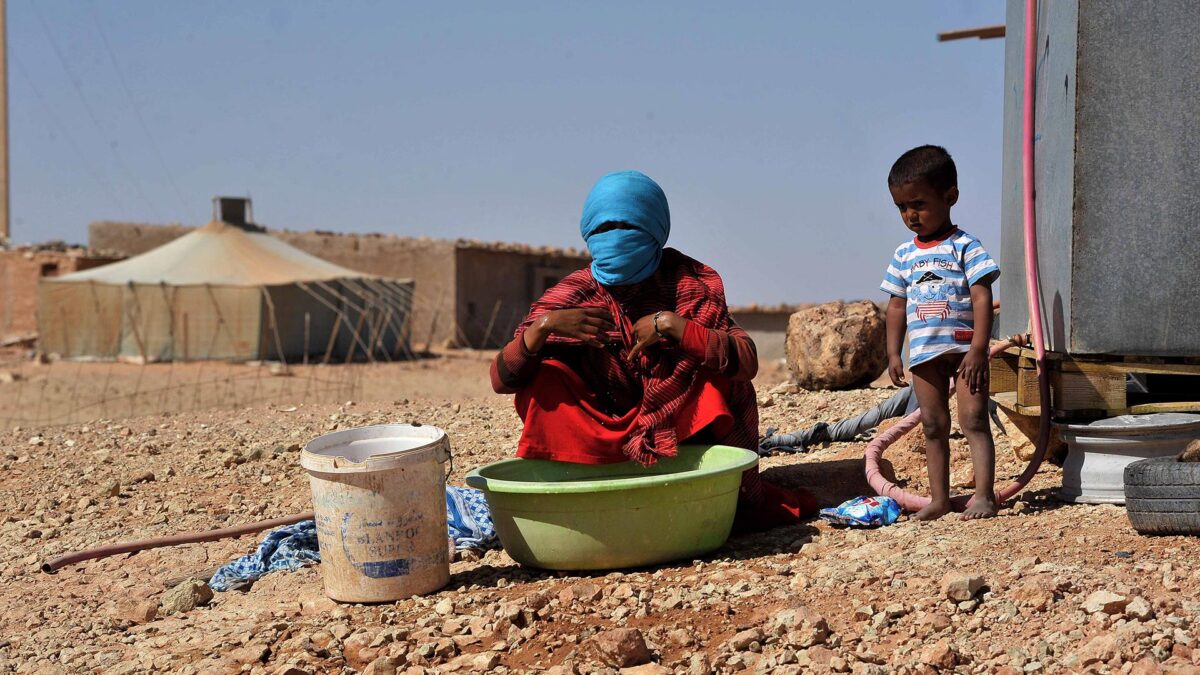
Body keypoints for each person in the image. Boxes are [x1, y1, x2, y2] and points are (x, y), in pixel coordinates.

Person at [490, 170, 816, 528]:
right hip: (600, 430)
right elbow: (502, 379)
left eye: (628, 227)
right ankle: (583, 491)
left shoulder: (686, 282)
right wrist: (545, 327)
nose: (614, 238)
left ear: (656, 230)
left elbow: (746, 360)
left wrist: (672, 325)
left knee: (720, 378)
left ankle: (721, 493)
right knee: (546, 377)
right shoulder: (574, 294)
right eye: (603, 228)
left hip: (676, 427)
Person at [879, 145, 1000, 521]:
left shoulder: (966, 246)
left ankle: (983, 496)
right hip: (926, 355)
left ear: (950, 197)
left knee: (975, 420)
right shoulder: (903, 255)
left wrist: (979, 348)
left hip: (966, 354)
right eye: (902, 207)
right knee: (933, 425)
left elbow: (982, 297)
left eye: (918, 204)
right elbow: (896, 305)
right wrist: (894, 353)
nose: (910, 215)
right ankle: (939, 499)